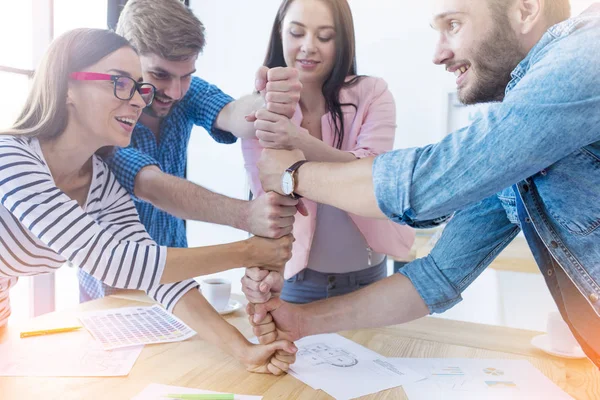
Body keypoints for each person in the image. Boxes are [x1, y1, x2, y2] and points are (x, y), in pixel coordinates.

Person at [246, 0, 600, 368]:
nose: (438, 53)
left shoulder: (589, 52)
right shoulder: (520, 136)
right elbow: (438, 274)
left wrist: (294, 175)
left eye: (454, 25)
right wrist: (302, 321)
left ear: (526, 9)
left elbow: (424, 188)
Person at [0, 28, 296, 375]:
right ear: (67, 86)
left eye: (139, 88)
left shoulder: (100, 183)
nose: (141, 101)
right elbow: (111, 259)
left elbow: (156, 276)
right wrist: (250, 251)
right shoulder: (11, 156)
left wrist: (241, 349)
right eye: (120, 83)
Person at [78, 0, 303, 302]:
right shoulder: (103, 115)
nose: (176, 91)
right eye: (160, 75)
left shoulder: (185, 92)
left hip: (175, 281)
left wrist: (268, 103)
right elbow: (151, 185)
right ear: (126, 60)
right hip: (115, 287)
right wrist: (247, 215)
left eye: (186, 75)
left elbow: (234, 113)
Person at [240, 0, 414, 304]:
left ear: (343, 41)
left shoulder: (373, 93)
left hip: (369, 278)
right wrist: (260, 269)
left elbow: (371, 173)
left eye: (324, 37)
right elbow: (265, 200)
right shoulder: (261, 108)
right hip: (295, 279)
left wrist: (299, 139)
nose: (308, 47)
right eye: (296, 33)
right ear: (281, 32)